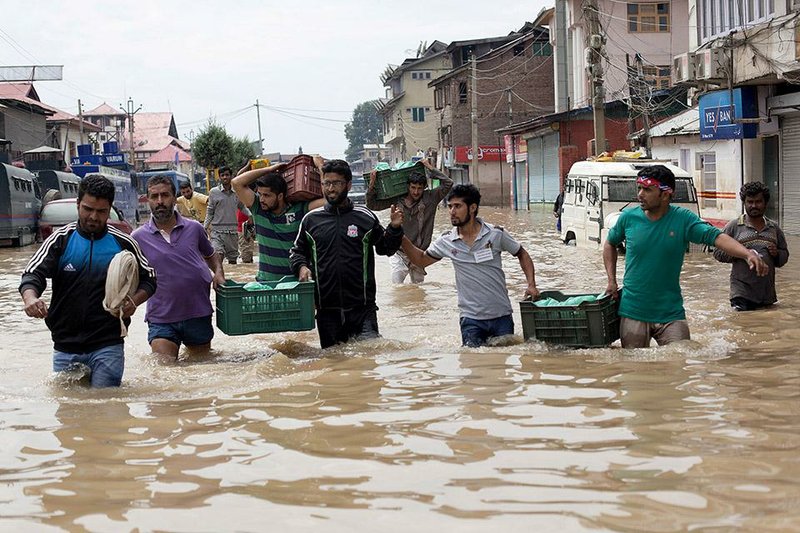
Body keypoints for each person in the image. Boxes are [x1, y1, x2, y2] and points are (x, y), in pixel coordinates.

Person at [603, 165, 769, 348]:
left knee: (681, 360)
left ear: (665, 194)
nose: (640, 194)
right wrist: (611, 280)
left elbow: (715, 237)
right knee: (635, 368)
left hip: (671, 312)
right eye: (639, 188)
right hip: (633, 310)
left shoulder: (683, 219)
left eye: (647, 189)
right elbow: (610, 243)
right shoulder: (628, 218)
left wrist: (747, 254)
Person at [19, 174, 156, 387]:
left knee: (107, 406)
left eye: (101, 211)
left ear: (110, 209)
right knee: (70, 412)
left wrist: (134, 301)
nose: (93, 216)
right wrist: (30, 298)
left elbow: (150, 278)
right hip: (65, 346)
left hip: (108, 343)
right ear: (78, 205)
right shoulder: (60, 240)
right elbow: (32, 274)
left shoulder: (124, 243)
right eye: (87, 209)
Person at [401, 184, 540, 347]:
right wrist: (400, 236)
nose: (452, 211)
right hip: (471, 320)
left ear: (472, 208)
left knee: (502, 368)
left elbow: (522, 254)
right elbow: (421, 260)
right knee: (474, 366)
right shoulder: (447, 241)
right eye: (450, 206)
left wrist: (531, 284)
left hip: (501, 316)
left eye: (458, 206)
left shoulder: (495, 234)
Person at [289, 159, 404, 349]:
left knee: (369, 362)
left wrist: (394, 228)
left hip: (362, 309)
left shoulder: (365, 217)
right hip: (327, 311)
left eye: (336, 183)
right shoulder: (310, 221)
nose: (331, 189)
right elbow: (296, 252)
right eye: (327, 183)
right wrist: (301, 267)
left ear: (348, 185)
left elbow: (386, 248)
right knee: (333, 365)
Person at [132, 176, 225, 360]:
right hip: (161, 318)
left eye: (165, 195)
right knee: (165, 369)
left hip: (198, 312)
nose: (160, 201)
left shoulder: (195, 228)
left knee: (202, 369)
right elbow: (128, 275)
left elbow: (210, 255)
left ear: (175, 198)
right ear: (147, 200)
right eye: (154, 196)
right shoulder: (137, 238)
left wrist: (219, 273)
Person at [231, 161, 326, 280]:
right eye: (260, 194)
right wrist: (269, 169)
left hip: (296, 283)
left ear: (280, 196)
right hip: (266, 284)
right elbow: (236, 182)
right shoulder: (258, 209)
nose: (261, 199)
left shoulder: (300, 209)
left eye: (267, 195)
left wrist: (320, 168)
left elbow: (328, 201)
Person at [366, 158, 453, 284]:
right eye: (413, 187)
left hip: (419, 254)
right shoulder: (397, 200)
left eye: (419, 188)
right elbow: (372, 205)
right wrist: (372, 185)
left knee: (419, 288)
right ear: (408, 186)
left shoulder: (431, 198)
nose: (416, 192)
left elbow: (448, 183)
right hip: (399, 252)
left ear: (424, 188)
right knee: (397, 287)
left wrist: (430, 168)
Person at [713, 182, 789, 311]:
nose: (754, 205)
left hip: (766, 294)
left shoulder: (774, 228)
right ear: (744, 203)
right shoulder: (734, 227)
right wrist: (740, 251)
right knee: (744, 325)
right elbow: (717, 253)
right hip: (741, 293)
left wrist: (776, 254)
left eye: (758, 201)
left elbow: (784, 257)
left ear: (765, 203)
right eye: (750, 202)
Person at [204, 166, 251, 265]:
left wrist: (251, 216)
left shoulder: (237, 192)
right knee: (218, 255)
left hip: (232, 231)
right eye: (222, 175)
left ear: (231, 176)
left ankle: (231, 279)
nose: (225, 177)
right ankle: (219, 278)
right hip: (217, 231)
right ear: (219, 177)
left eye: (227, 175)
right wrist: (204, 227)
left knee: (233, 260)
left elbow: (242, 207)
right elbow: (210, 211)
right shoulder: (213, 192)